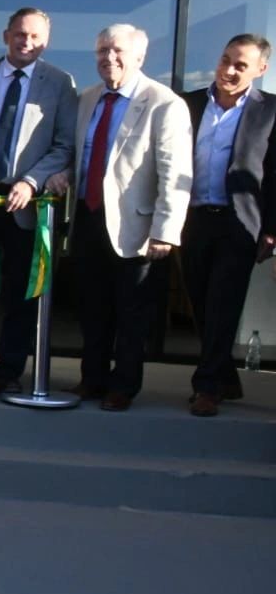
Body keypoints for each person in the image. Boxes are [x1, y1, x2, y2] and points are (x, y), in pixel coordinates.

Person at [0, 8, 78, 396]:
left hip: (25, 202)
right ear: (6, 36)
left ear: (46, 42)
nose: (27, 42)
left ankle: (9, 370)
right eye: (20, 34)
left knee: (19, 292)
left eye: (36, 36)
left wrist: (31, 181)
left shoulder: (60, 83)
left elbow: (64, 146)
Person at [66, 24, 193, 410]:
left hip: (137, 227)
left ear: (139, 56)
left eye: (117, 50)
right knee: (93, 308)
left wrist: (165, 231)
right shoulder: (87, 99)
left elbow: (175, 173)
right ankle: (92, 379)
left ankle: (123, 386)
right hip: (88, 218)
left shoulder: (164, 103)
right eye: (102, 50)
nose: (109, 57)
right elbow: (78, 157)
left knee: (131, 313)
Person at [180, 34, 275, 416]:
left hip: (240, 223)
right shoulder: (187, 104)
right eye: (225, 60)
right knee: (201, 303)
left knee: (223, 303)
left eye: (240, 65)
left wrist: (272, 228)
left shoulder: (270, 111)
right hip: (192, 220)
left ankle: (206, 388)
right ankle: (226, 377)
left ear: (260, 69)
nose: (229, 70)